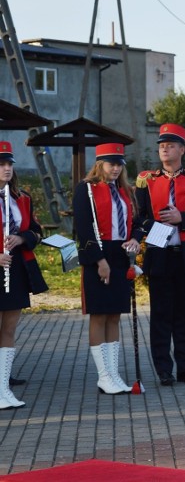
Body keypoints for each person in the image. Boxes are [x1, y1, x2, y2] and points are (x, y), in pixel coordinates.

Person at [134, 124, 185, 386]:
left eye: (170, 145)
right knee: (160, 314)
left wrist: (183, 218)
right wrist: (155, 227)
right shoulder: (147, 180)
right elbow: (138, 220)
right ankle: (163, 369)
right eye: (161, 146)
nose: (164, 149)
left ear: (182, 149)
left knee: (184, 314)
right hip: (159, 254)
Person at [73, 143, 141, 395]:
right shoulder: (86, 189)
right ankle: (103, 376)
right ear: (99, 164)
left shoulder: (125, 190)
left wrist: (135, 238)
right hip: (98, 255)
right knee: (99, 314)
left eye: (119, 163)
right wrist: (99, 261)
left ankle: (113, 374)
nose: (115, 168)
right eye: (110, 163)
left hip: (121, 255)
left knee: (115, 315)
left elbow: (137, 220)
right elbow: (83, 227)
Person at [0, 141, 48, 409]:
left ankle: (3, 386)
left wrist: (21, 238)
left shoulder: (22, 198)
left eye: (9, 164)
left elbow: (36, 232)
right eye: (1, 164)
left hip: (16, 268)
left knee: (9, 327)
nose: (7, 168)